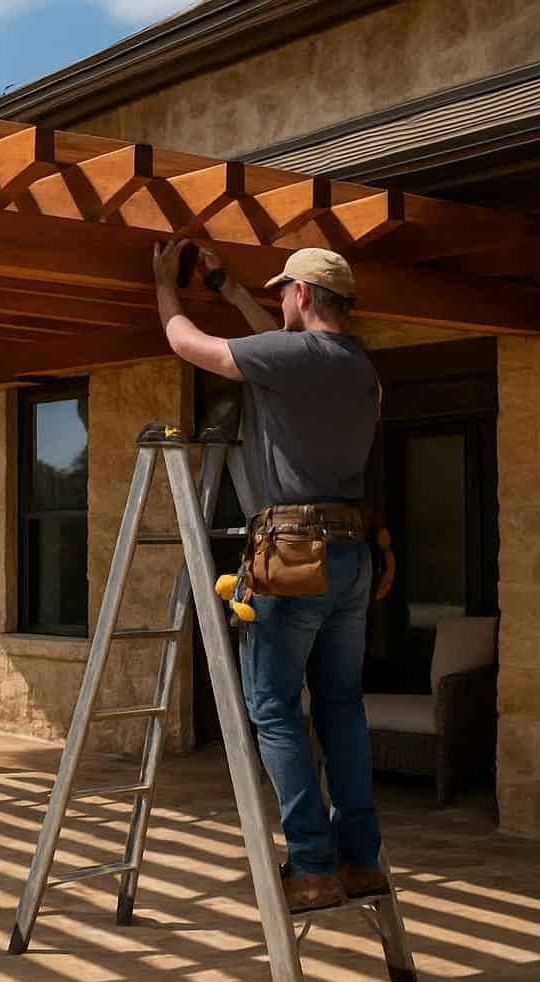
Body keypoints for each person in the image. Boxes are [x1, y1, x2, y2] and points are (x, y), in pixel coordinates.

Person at [151, 240, 387, 913]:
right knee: (341, 705)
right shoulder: (360, 369)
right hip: (349, 554)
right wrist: (229, 289)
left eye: (286, 291)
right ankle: (360, 861)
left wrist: (166, 288)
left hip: (292, 553)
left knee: (274, 707)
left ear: (305, 295)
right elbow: (272, 346)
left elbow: (187, 344)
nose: (281, 300)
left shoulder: (296, 358)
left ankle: (311, 865)